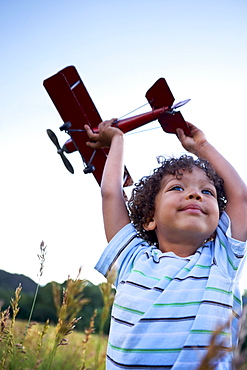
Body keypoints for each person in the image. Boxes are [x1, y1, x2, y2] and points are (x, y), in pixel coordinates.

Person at [85, 119, 247, 370]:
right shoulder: (132, 259)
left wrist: (202, 146)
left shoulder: (222, 259)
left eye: (208, 192)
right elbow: (111, 193)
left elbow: (241, 197)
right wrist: (117, 140)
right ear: (150, 218)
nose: (195, 194)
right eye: (178, 187)